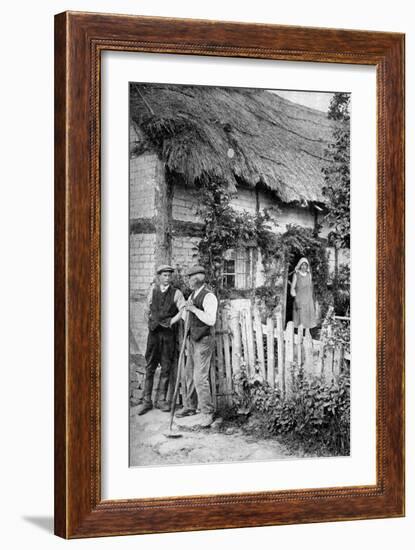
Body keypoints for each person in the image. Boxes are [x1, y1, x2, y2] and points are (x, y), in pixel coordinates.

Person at [137, 265, 185, 415]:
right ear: (159, 277)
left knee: (166, 367)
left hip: (168, 335)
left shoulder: (176, 293)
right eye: (164, 275)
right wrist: (150, 322)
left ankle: (161, 400)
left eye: (169, 275)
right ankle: (146, 401)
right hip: (154, 334)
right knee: (150, 367)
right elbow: (146, 309)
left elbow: (183, 309)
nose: (167, 278)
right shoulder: (153, 291)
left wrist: (172, 321)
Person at [176, 265, 218, 428]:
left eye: (189, 278)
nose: (187, 281)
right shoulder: (193, 295)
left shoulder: (209, 297)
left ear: (195, 280)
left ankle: (207, 412)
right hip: (192, 339)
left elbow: (210, 320)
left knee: (200, 377)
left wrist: (193, 309)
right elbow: (188, 318)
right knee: (188, 374)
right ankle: (190, 406)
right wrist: (186, 311)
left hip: (204, 340)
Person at [290, 257, 316, 337]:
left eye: (305, 265)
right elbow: (292, 288)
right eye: (302, 265)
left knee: (308, 320)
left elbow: (310, 288)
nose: (304, 266)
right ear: (300, 265)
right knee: (300, 321)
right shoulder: (296, 275)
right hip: (300, 300)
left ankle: (308, 339)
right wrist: (295, 297)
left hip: (308, 300)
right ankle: (299, 338)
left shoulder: (309, 275)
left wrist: (312, 299)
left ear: (307, 266)